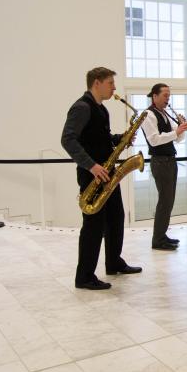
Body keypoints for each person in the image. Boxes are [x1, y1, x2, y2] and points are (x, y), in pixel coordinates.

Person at [61, 67, 142, 290]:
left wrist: (121, 138)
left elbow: (101, 139)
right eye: (110, 83)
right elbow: (68, 140)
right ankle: (84, 276)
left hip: (107, 173)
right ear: (97, 83)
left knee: (116, 217)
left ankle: (114, 262)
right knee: (93, 226)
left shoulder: (102, 110)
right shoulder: (81, 107)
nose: (114, 88)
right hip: (93, 174)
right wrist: (92, 165)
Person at [141, 83, 187, 251]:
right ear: (154, 96)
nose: (168, 99)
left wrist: (181, 128)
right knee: (165, 201)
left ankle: (162, 235)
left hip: (170, 160)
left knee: (168, 201)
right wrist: (176, 132)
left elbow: (177, 140)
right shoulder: (148, 114)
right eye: (165, 95)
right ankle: (158, 239)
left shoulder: (164, 114)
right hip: (160, 161)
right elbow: (154, 139)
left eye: (169, 96)